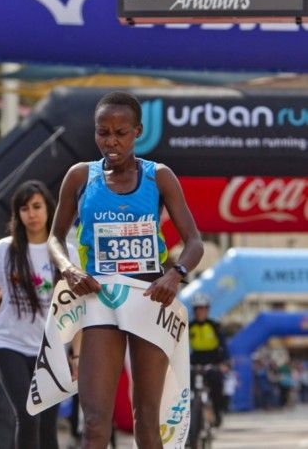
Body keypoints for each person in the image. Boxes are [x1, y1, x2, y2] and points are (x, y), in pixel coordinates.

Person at [47, 91, 204, 448]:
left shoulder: (159, 177)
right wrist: (69, 268)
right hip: (101, 299)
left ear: (138, 131)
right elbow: (55, 240)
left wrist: (174, 273)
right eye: (103, 132)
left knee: (146, 420)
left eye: (120, 132)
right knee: (96, 421)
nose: (111, 141)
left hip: (149, 298)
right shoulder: (79, 177)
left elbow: (195, 242)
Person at [0, 180, 80, 449]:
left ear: (48, 209)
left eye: (36, 207)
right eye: (24, 209)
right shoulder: (4, 249)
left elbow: (74, 308)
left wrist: (76, 355)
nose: (31, 214)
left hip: (51, 349)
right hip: (8, 343)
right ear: (17, 214)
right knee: (27, 415)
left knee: (48, 424)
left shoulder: (66, 253)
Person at [189, 292, 230, 427]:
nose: (201, 312)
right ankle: (189, 419)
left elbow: (223, 345)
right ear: (194, 311)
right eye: (198, 309)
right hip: (195, 361)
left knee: (216, 384)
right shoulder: (189, 326)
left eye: (203, 308)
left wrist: (225, 362)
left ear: (207, 310)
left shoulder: (214, 325)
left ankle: (217, 413)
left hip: (213, 361)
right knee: (186, 387)